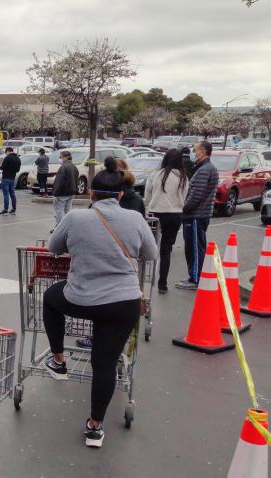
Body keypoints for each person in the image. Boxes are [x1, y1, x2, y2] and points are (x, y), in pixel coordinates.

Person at [42, 158, 158, 448]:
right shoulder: (134, 218)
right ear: (120, 195)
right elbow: (151, 254)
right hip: (123, 303)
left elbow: (53, 248)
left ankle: (58, 361)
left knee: (50, 298)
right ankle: (95, 427)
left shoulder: (76, 218)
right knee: (104, 364)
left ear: (91, 194)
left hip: (81, 298)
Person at [144, 149, 188, 294]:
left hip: (156, 213)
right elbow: (184, 196)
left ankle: (145, 279)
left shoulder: (156, 174)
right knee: (166, 250)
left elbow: (147, 195)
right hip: (175, 214)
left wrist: (149, 206)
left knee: (149, 247)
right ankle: (163, 283)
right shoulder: (183, 177)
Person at [176, 140, 218, 290]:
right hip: (198, 215)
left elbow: (196, 195)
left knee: (194, 247)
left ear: (203, 152)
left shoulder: (205, 169)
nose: (194, 153)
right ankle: (194, 276)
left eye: (196, 150)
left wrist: (184, 208)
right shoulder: (204, 168)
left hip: (196, 215)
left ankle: (195, 278)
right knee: (194, 247)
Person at [52, 150, 78, 226]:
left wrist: (55, 192)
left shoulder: (63, 167)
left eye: (61, 157)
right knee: (68, 210)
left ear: (66, 157)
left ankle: (59, 227)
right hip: (71, 192)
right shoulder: (74, 166)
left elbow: (59, 181)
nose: (60, 158)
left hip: (63, 193)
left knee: (59, 211)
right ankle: (67, 226)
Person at [0, 147, 21, 215]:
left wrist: (0, 167)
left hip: (5, 178)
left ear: (7, 151)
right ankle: (13, 209)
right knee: (13, 194)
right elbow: (18, 170)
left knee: (6, 195)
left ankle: (5, 210)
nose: (6, 154)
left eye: (6, 152)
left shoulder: (7, 158)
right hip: (12, 178)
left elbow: (2, 167)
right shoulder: (18, 159)